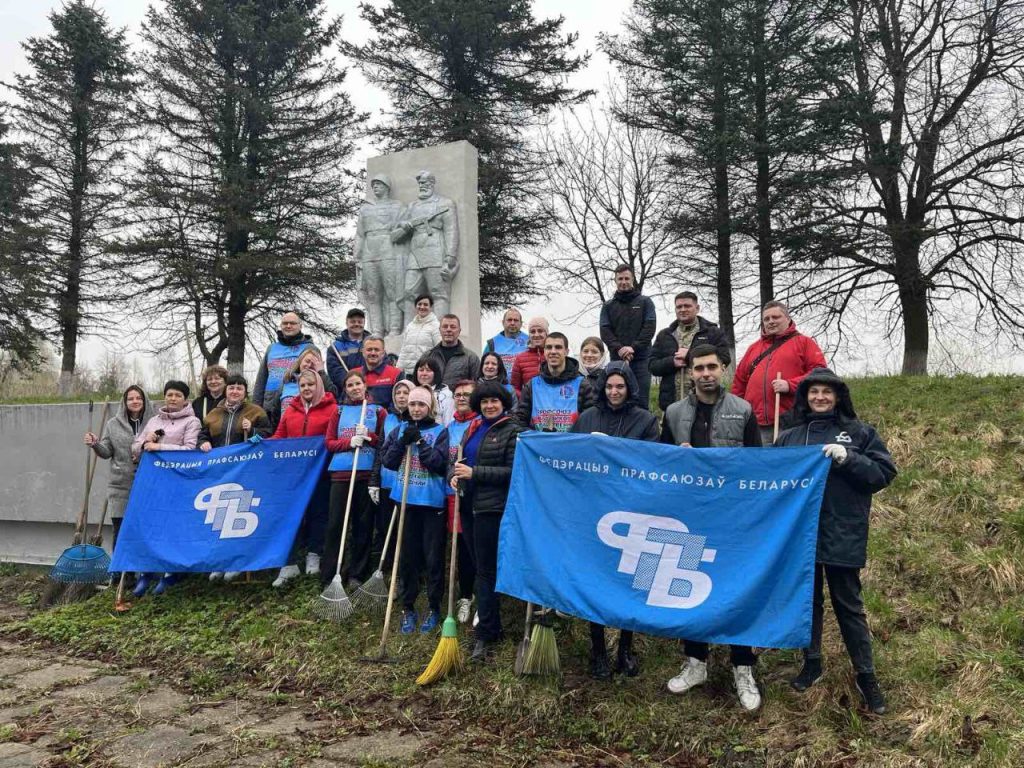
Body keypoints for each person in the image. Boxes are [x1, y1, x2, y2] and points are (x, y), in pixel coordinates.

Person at [775, 368, 896, 715]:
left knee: (849, 606)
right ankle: (811, 662)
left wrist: (849, 458)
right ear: (805, 397)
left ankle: (866, 675)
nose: (820, 398)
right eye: (814, 392)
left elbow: (883, 474)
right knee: (807, 602)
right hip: (799, 532)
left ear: (838, 396)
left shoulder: (859, 433)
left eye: (827, 392)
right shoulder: (790, 436)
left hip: (843, 529)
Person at [660, 344, 762, 710]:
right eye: (698, 368)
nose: (705, 374)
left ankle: (743, 667)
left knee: (736, 588)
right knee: (690, 587)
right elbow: (660, 465)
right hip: (691, 515)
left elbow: (757, 466)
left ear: (723, 369)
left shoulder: (742, 410)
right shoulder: (673, 413)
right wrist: (677, 459)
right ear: (689, 372)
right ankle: (696, 662)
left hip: (733, 516)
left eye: (711, 367)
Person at [572, 362, 658, 679]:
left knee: (628, 580)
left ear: (630, 388)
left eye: (620, 386)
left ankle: (625, 647)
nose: (614, 392)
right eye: (609, 386)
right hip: (593, 512)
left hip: (630, 511)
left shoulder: (646, 421)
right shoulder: (587, 419)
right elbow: (570, 458)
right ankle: (597, 650)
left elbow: (652, 463)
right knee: (595, 580)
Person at [448, 380, 522, 661]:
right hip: (469, 505)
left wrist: (474, 473)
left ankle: (486, 633)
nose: (489, 405)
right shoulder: (474, 427)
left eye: (494, 401)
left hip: (493, 509)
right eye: (485, 401)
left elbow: (512, 472)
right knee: (480, 567)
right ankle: (492, 624)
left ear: (503, 403)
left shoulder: (512, 430)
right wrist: (454, 476)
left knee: (486, 571)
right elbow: (458, 463)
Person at [380, 385, 450, 634]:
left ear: (429, 407)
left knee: (432, 559)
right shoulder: (399, 429)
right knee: (407, 557)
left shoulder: (441, 432)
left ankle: (433, 607)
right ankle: (408, 608)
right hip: (406, 501)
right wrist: (402, 442)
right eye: (412, 405)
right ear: (406, 407)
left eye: (421, 405)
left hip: (431, 504)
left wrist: (420, 443)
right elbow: (387, 461)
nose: (417, 409)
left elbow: (440, 465)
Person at [130, 380, 202, 597]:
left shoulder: (192, 422)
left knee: (174, 526)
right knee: (152, 526)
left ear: (185, 400)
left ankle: (171, 573)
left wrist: (159, 447)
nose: (172, 398)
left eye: (177, 395)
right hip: (152, 483)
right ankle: (147, 571)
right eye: (169, 394)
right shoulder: (153, 420)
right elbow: (135, 449)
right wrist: (144, 443)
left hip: (177, 482)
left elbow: (190, 449)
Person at [271, 369, 338, 587]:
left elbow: (334, 436)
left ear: (318, 385)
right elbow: (279, 437)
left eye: (310, 385)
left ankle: (314, 554)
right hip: (293, 475)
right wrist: (261, 444)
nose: (306, 389)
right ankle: (289, 563)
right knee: (293, 514)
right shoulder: (291, 410)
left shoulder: (332, 409)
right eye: (302, 386)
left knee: (319, 513)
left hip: (321, 471)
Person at [322, 370, 388, 589]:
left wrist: (369, 436)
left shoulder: (377, 411)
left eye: (358, 384)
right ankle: (331, 573)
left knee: (363, 526)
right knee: (335, 526)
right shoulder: (338, 411)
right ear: (345, 389)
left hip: (366, 475)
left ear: (365, 385)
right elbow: (330, 443)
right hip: (341, 476)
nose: (354, 388)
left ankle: (357, 574)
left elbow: (384, 444)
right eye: (350, 385)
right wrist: (350, 442)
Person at [731, 300, 827, 445]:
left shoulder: (804, 343)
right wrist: (737, 413)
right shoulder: (753, 348)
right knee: (761, 464)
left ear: (787, 319)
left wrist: (790, 385)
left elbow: (820, 373)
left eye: (776, 317)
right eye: (766, 319)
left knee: (787, 463)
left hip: (791, 421)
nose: (770, 322)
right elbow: (739, 383)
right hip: (756, 423)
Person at [84, 385, 155, 556]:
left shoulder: (155, 422)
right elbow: (106, 451)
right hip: (120, 486)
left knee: (145, 530)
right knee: (121, 530)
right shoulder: (113, 424)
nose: (135, 401)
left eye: (138, 398)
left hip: (149, 485)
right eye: (130, 398)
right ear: (124, 402)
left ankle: (145, 572)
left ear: (144, 400)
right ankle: (121, 575)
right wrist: (95, 444)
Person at [394, 170, 460, 321]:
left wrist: (450, 255)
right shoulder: (412, 206)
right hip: (415, 252)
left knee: (438, 293)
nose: (422, 186)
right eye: (420, 183)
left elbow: (451, 230)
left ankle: (439, 332)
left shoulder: (445, 203)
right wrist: (405, 226)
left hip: (435, 251)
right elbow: (398, 230)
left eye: (425, 183)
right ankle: (409, 330)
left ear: (432, 184)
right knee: (409, 292)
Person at [649, 291, 731, 411]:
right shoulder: (664, 335)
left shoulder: (712, 332)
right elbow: (652, 366)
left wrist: (689, 357)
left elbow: (724, 358)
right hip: (671, 405)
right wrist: (672, 362)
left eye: (687, 306)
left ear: (697, 308)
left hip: (705, 403)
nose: (682, 309)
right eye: (679, 307)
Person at [368, 380, 412, 575]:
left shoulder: (416, 419)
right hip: (387, 482)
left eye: (405, 392)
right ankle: (389, 569)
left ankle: (407, 570)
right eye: (398, 393)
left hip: (409, 483)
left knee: (407, 531)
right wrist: (374, 480)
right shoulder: (388, 418)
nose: (401, 396)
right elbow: (380, 450)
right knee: (387, 529)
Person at [599, 264, 657, 410]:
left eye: (626, 278)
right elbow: (605, 331)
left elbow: (649, 328)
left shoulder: (645, 302)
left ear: (632, 279)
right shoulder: (608, 306)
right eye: (620, 279)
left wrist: (633, 348)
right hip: (617, 360)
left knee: (641, 401)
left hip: (642, 360)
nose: (623, 282)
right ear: (615, 280)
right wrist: (619, 349)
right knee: (617, 400)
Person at [513, 332, 597, 432]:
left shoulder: (582, 385)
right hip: (539, 445)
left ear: (566, 351)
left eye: (558, 347)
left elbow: (590, 422)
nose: (553, 351)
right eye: (549, 347)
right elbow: (520, 421)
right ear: (544, 351)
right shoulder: (532, 385)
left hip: (572, 445)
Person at [445, 380, 478, 624]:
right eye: (458, 394)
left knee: (478, 548)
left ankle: (484, 597)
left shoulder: (481, 425)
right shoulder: (449, 427)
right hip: (455, 494)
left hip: (479, 495)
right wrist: (450, 475)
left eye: (468, 394)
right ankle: (465, 595)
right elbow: (444, 461)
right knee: (461, 547)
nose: (462, 397)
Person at [252, 312, 316, 415]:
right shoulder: (271, 348)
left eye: (292, 323)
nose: (288, 326)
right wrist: (255, 407)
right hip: (269, 405)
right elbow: (261, 379)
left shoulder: (309, 348)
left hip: (296, 405)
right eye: (285, 323)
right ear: (281, 326)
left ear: (300, 326)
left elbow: (317, 379)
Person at [198, 375, 272, 451]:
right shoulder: (213, 413)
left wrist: (251, 430)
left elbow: (268, 434)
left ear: (245, 392)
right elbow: (203, 435)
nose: (235, 391)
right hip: (218, 460)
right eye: (231, 388)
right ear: (225, 391)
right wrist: (203, 442)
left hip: (245, 460)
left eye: (239, 389)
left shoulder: (257, 412)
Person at [270, 347, 337, 426]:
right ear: (300, 362)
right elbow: (275, 413)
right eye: (307, 361)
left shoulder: (322, 384)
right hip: (288, 434)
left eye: (313, 364)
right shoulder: (286, 383)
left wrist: (321, 372)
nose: (309, 365)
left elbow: (333, 397)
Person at [427, 314, 480, 389]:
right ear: (440, 330)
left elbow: (477, 385)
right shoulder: (428, 356)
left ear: (459, 331)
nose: (448, 330)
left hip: (459, 400)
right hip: (432, 399)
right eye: (445, 327)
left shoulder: (471, 358)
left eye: (453, 327)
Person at [354, 334, 403, 411]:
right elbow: (345, 402)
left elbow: (399, 404)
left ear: (383, 353)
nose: (373, 353)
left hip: (387, 420)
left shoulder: (396, 374)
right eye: (369, 350)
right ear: (363, 352)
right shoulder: (354, 374)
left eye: (376, 350)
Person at [397, 294, 441, 375]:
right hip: (408, 374)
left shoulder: (436, 326)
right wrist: (398, 369)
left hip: (425, 373)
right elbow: (404, 350)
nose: (422, 307)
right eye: (419, 304)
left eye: (425, 304)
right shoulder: (410, 326)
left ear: (431, 307)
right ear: (415, 306)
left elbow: (439, 350)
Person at [327, 308, 368, 392]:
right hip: (346, 394)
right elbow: (335, 371)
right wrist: (353, 384)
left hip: (371, 390)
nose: (356, 324)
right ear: (346, 323)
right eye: (353, 321)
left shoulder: (374, 343)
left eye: (360, 322)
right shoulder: (335, 347)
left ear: (364, 323)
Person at [483, 308, 528, 384]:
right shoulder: (492, 343)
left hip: (523, 389)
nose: (512, 323)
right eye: (509, 320)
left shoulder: (530, 341)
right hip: (499, 389)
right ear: (503, 322)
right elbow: (483, 368)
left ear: (521, 324)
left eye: (516, 320)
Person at [510, 317, 548, 395]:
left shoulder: (553, 355)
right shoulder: (520, 359)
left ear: (546, 333)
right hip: (529, 405)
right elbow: (514, 388)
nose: (536, 335)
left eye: (540, 331)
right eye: (532, 332)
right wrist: (525, 399)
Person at [413, 355, 454, 426]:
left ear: (436, 373)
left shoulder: (446, 395)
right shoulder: (412, 393)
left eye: (428, 370)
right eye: (421, 370)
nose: (424, 374)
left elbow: (449, 423)